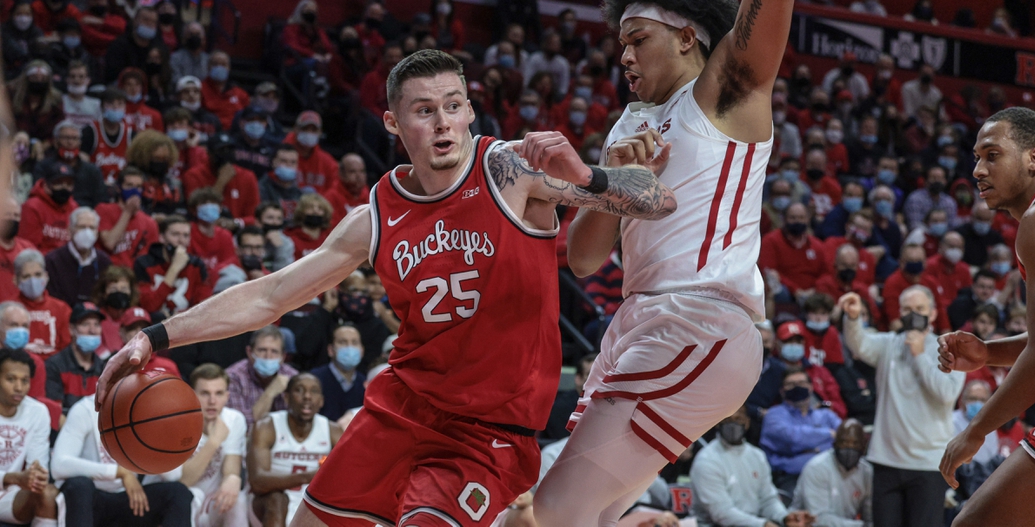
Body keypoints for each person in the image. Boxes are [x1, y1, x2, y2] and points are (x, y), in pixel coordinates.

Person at [98, 48, 675, 527]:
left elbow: (656, 200)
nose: (444, 121)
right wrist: (154, 336)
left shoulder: (510, 171)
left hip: (487, 432)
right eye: (424, 110)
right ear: (394, 123)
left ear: (471, 111)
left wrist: (586, 175)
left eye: (453, 106)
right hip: (399, 411)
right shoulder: (375, 214)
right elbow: (271, 296)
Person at [540, 0, 800, 523]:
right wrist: (608, 187)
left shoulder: (725, 91)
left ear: (689, 36)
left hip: (702, 320)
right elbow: (583, 257)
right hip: (636, 323)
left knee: (549, 515)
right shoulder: (629, 123)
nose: (623, 54)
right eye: (618, 43)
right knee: (599, 514)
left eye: (638, 37)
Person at [936, 108, 1035, 527]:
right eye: (976, 157)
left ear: (1034, 158)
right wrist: (988, 352)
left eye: (992, 155)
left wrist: (976, 429)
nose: (977, 169)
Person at [839, 287, 964, 527]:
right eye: (907, 309)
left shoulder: (951, 350)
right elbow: (859, 344)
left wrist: (919, 355)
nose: (913, 314)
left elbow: (946, 394)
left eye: (919, 309)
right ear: (899, 313)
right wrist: (853, 318)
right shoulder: (888, 344)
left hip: (929, 463)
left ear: (933, 314)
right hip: (887, 460)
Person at [51, 394, 193, 527]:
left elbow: (173, 475)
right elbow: (59, 465)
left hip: (131, 500)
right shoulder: (85, 409)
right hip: (91, 498)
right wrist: (119, 472)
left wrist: (157, 428)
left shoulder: (148, 410)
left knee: (178, 492)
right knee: (79, 486)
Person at [690, 405, 813, 527]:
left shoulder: (757, 455)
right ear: (717, 423)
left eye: (738, 420)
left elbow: (768, 499)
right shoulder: (707, 460)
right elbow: (721, 513)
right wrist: (763, 524)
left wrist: (784, 517)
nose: (733, 425)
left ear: (747, 423)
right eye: (727, 420)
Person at [248, 374, 341, 527]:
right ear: (286, 398)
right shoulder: (267, 426)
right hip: (268, 505)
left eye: (314, 391)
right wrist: (308, 477)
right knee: (276, 500)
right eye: (299, 390)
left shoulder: (333, 431)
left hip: (312, 503)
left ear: (321, 401)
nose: (307, 397)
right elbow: (258, 482)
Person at [181, 363, 248, 527]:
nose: (212, 401)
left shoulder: (234, 419)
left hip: (211, 504)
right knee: (190, 496)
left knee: (237, 499)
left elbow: (231, 466)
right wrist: (214, 442)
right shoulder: (178, 422)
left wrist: (232, 478)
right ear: (192, 394)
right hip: (178, 504)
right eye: (205, 393)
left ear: (227, 396)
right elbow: (182, 483)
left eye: (219, 393)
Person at [760, 367, 843, 491]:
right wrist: (828, 435)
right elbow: (791, 438)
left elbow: (843, 437)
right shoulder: (774, 414)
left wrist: (807, 448)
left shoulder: (825, 415)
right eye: (790, 384)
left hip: (830, 474)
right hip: (791, 477)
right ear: (782, 391)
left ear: (811, 387)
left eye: (801, 383)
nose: (797, 387)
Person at [0, 348, 56, 527]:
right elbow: (18, 478)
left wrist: (35, 475)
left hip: (9, 494)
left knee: (46, 492)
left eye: (25, 381)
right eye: (11, 379)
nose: (19, 387)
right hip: (11, 482)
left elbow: (37, 466)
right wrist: (14, 477)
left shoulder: (37, 412)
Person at [790, 419, 873, 527]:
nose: (849, 447)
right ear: (834, 443)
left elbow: (871, 515)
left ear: (863, 447)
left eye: (855, 444)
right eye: (844, 442)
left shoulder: (867, 472)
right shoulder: (817, 468)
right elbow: (818, 519)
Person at [133, 215, 211, 317]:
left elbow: (203, 306)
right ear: (161, 237)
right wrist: (174, 269)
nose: (181, 241)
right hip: (154, 324)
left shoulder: (197, 265)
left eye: (186, 235)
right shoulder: (144, 263)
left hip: (186, 322)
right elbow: (150, 306)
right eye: (175, 234)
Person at [226, 326, 298, 432]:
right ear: (249, 352)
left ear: (283, 357)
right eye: (262, 350)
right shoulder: (233, 377)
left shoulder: (292, 377)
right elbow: (242, 427)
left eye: (274, 351)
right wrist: (270, 393)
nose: (268, 356)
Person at [45, 302, 106, 415]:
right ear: (72, 329)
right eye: (85, 324)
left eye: (97, 324)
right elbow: (55, 412)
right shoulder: (54, 365)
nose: (92, 330)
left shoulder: (105, 369)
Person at [44, 207, 110, 306]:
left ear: (97, 233)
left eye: (92, 228)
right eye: (82, 227)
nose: (87, 233)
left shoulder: (104, 261)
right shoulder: (53, 260)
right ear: (70, 230)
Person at [96, 167, 158, 268]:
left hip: (134, 276)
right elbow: (109, 243)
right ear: (118, 188)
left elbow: (150, 259)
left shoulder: (149, 222)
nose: (134, 190)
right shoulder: (104, 210)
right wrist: (127, 212)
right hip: (108, 272)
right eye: (129, 185)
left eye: (138, 186)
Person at [14, 251, 71, 358]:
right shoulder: (8, 310)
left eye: (37, 274)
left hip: (54, 369)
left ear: (46, 276)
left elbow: (67, 348)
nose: (32, 281)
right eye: (26, 276)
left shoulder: (62, 309)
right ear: (16, 281)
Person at [309, 325, 366, 424]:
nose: (349, 347)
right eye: (343, 342)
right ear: (331, 350)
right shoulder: (314, 379)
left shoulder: (365, 384)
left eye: (354, 342)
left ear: (361, 351)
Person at [20, 163, 79, 254]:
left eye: (69, 184)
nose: (64, 188)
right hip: (41, 263)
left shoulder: (74, 208)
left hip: (68, 264)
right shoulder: (32, 207)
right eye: (58, 183)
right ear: (46, 186)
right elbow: (28, 248)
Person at [323, 154, 369, 226]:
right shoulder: (331, 198)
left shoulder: (370, 195)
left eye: (362, 171)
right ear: (341, 174)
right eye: (352, 171)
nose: (359, 176)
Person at [259, 146, 303, 219]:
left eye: (293, 162)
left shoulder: (299, 191)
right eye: (283, 161)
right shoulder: (262, 187)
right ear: (273, 162)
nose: (289, 165)